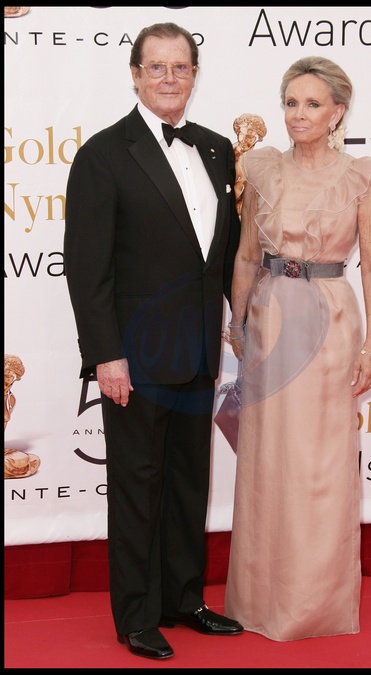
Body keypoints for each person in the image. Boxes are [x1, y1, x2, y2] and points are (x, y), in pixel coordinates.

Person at [64, 22, 242, 660]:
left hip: (198, 350)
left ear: (195, 75)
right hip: (134, 358)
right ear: (136, 75)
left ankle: (183, 598)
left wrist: (237, 325)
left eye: (181, 67)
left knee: (189, 481)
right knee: (138, 486)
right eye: (157, 67)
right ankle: (137, 615)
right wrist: (105, 355)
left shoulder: (218, 149)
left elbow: (220, 256)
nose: (170, 78)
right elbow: (87, 269)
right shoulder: (104, 154)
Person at [224, 56, 371, 642]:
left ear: (338, 112)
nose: (299, 114)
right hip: (269, 316)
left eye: (313, 104)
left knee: (319, 464)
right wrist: (237, 321)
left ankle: (313, 602)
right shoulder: (263, 169)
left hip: (329, 318)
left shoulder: (361, 177)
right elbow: (247, 254)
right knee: (266, 460)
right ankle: (257, 599)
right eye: (291, 102)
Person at [232, 113, 267, 217]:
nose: (244, 140)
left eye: (250, 137)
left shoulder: (257, 162)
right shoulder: (226, 153)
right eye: (241, 134)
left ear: (259, 138)